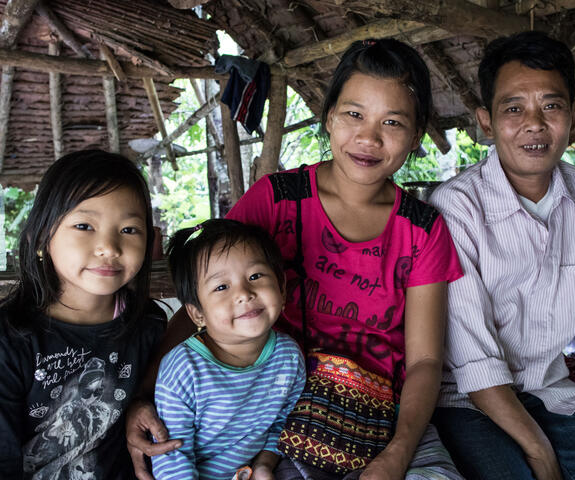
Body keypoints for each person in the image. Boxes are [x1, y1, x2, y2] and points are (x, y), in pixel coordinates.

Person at [126, 38, 465, 480]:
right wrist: (145, 397)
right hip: (274, 420)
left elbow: (424, 362)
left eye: (393, 122)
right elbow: (207, 299)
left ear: (417, 135)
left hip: (386, 418)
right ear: (328, 118)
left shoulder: (422, 230)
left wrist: (397, 455)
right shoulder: (277, 200)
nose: (368, 137)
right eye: (354, 114)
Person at [430, 31, 575, 479]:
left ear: (574, 115)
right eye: (513, 108)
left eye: (551, 105)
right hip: (468, 401)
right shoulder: (455, 207)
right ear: (486, 122)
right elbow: (475, 362)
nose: (534, 123)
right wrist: (542, 455)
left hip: (552, 394)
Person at [0, 150, 166, 480]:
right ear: (40, 239)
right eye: (84, 225)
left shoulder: (149, 323)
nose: (109, 247)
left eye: (130, 230)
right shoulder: (10, 340)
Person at [152, 219, 306, 479]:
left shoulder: (289, 357)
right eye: (221, 287)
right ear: (197, 313)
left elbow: (282, 424)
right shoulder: (183, 369)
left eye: (255, 276)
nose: (244, 293)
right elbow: (171, 457)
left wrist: (264, 465)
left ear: (281, 287)